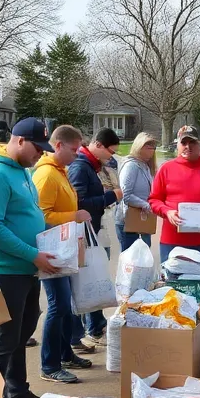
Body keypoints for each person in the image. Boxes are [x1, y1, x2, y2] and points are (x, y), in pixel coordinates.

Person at [0, 117, 61, 398]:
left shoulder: (23, 171)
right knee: (6, 338)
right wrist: (31, 253)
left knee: (23, 330)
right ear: (19, 140)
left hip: (27, 268)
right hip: (7, 269)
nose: (41, 153)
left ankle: (17, 389)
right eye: (37, 147)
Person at [32, 125, 93, 382]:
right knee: (58, 307)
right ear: (57, 145)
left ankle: (65, 353)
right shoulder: (46, 175)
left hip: (64, 248)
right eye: (73, 149)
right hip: (52, 250)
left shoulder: (60, 171)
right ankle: (49, 365)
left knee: (66, 306)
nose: (77, 154)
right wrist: (73, 217)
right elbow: (40, 216)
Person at [68, 128, 121, 348]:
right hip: (82, 233)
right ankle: (76, 335)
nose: (112, 156)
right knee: (80, 287)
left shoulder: (91, 165)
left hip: (91, 230)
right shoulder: (81, 167)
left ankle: (90, 327)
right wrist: (110, 196)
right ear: (98, 145)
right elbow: (78, 203)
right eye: (110, 151)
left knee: (91, 282)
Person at [149, 126, 200, 266]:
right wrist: (167, 212)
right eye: (184, 143)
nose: (188, 146)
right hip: (172, 241)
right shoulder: (166, 169)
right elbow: (154, 200)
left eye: (192, 142)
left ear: (199, 144)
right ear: (178, 145)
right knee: (172, 285)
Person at [117, 132, 158, 251]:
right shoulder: (131, 165)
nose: (151, 150)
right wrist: (145, 204)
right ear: (138, 146)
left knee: (144, 258)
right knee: (130, 260)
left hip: (143, 219)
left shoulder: (145, 166)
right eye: (148, 147)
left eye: (153, 148)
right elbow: (124, 195)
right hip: (128, 220)